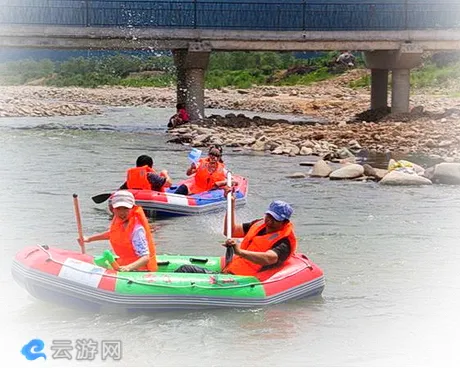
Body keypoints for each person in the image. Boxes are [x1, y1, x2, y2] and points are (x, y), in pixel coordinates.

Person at [174, 197, 297, 276]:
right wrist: (231, 205)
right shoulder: (259, 224)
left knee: (185, 269)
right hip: (233, 272)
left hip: (245, 280)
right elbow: (231, 230)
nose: (269, 221)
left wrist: (239, 251)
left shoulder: (284, 241)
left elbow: (270, 258)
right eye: (269, 216)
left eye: (275, 219)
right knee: (185, 269)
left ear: (284, 222)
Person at [79, 190, 157, 272]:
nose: (122, 212)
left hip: (139, 270)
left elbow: (145, 257)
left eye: (126, 208)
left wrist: (128, 268)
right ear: (112, 209)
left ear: (132, 208)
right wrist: (89, 239)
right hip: (124, 263)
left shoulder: (137, 230)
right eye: (118, 208)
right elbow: (111, 234)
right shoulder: (119, 220)